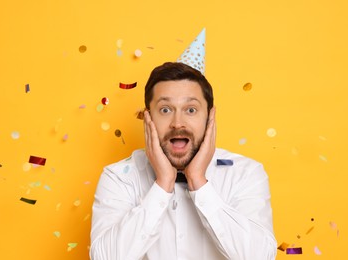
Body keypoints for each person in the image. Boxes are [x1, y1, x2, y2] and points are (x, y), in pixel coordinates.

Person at [90, 62, 277, 260]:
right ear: (147, 118)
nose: (177, 123)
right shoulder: (119, 177)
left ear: (210, 117)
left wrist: (198, 181)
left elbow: (261, 256)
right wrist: (163, 184)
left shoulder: (245, 173)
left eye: (191, 110)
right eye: (165, 110)